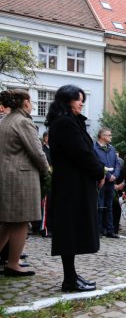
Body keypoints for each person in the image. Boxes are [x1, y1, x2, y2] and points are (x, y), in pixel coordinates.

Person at [46, 85, 104, 291]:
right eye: (78, 99)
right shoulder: (64, 124)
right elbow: (82, 153)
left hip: (75, 183)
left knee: (72, 230)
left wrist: (97, 170)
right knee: (69, 231)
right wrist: (100, 172)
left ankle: (71, 276)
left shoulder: (69, 122)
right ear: (67, 100)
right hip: (71, 186)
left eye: (82, 100)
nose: (81, 103)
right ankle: (69, 280)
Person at [0, 89, 49, 277]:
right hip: (21, 177)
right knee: (21, 222)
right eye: (31, 101)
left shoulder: (5, 121)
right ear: (25, 103)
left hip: (6, 174)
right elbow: (37, 152)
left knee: (7, 221)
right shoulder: (23, 122)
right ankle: (13, 264)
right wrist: (46, 171)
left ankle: (10, 262)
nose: (32, 105)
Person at [93, 127, 121, 239]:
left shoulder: (112, 149)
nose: (111, 137)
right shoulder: (94, 148)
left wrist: (115, 175)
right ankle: (98, 230)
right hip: (100, 180)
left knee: (109, 206)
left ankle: (110, 230)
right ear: (102, 136)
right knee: (99, 206)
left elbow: (117, 163)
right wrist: (107, 175)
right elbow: (96, 163)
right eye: (109, 135)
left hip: (111, 181)